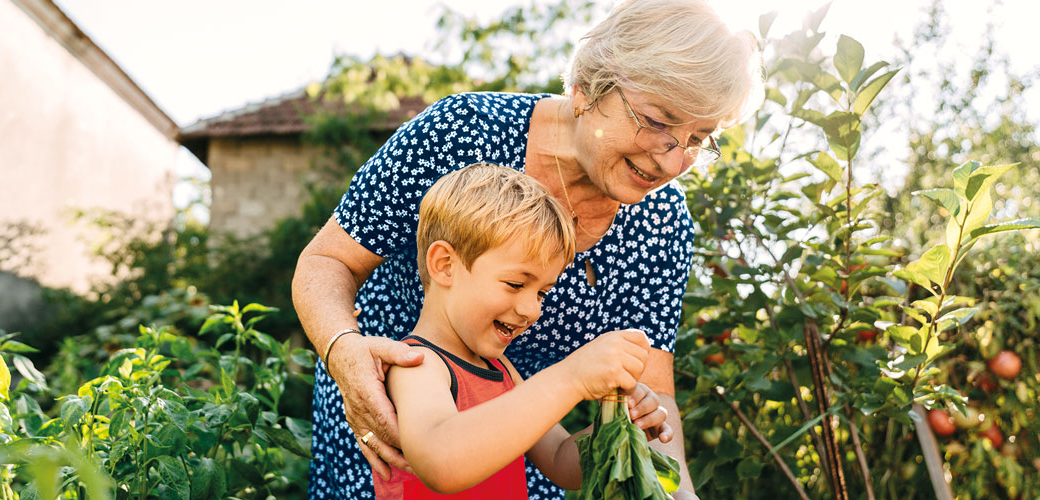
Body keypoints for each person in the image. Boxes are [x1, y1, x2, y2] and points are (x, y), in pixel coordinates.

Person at [292, 0, 762, 498]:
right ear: (587, 90)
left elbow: (647, 396)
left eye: (698, 138)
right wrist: (344, 353)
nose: (672, 161)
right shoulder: (462, 132)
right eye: (658, 121)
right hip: (383, 445)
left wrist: (649, 455)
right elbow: (327, 261)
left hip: (516, 465)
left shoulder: (660, 219)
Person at [373, 163, 656, 499]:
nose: (532, 310)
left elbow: (559, 461)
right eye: (515, 283)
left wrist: (614, 426)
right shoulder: (417, 366)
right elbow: (441, 464)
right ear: (445, 265)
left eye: (541, 293)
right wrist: (572, 377)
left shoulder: (501, 370)